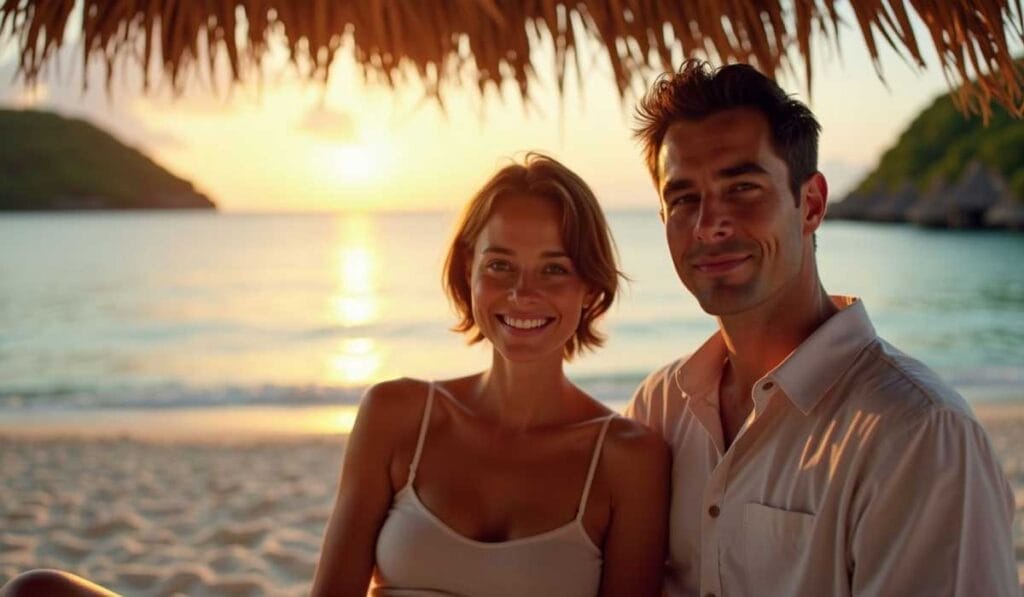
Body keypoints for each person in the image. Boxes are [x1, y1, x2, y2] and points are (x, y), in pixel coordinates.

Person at [625, 60, 1018, 596]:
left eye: (742, 187)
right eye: (683, 198)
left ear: (810, 204)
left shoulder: (918, 434)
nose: (708, 223)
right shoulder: (660, 409)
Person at [312, 153, 670, 596]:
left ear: (590, 287)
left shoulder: (628, 460)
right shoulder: (395, 415)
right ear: (469, 270)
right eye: (500, 265)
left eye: (554, 269)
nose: (522, 293)